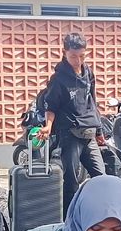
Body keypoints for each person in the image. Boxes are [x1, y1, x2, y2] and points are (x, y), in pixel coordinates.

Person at [36, 33, 105, 212]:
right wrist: (48, 126)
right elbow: (51, 106)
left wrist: (99, 131)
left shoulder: (88, 72)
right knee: (71, 182)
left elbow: (92, 102)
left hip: (89, 133)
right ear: (64, 52)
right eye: (73, 56)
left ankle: (99, 215)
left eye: (82, 56)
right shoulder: (58, 79)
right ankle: (68, 220)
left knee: (101, 178)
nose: (78, 60)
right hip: (70, 134)